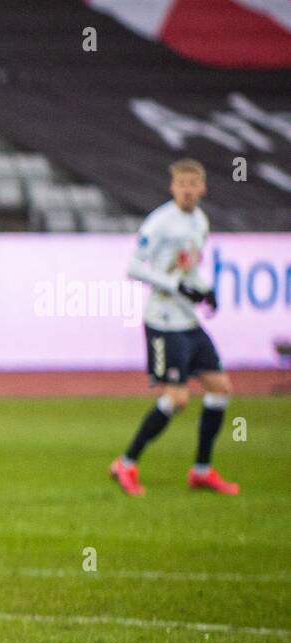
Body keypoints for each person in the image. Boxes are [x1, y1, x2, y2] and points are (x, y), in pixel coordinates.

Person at [109, 158, 238, 497]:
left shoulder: (200, 222)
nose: (188, 190)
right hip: (163, 322)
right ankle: (127, 462)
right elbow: (134, 268)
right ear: (173, 187)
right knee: (178, 398)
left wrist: (205, 288)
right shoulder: (159, 222)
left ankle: (201, 470)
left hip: (188, 320)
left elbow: (190, 266)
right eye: (182, 184)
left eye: (193, 184)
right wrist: (173, 285)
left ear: (202, 188)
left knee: (220, 387)